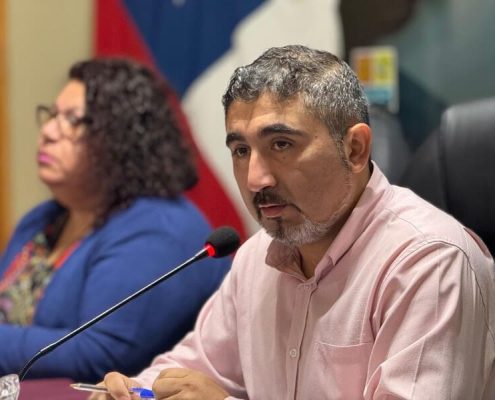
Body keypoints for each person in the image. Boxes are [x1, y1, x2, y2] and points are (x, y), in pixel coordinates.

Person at [95, 45, 495, 399]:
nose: (256, 179)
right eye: (240, 150)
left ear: (355, 149)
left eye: (281, 145)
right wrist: (134, 392)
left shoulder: (430, 263)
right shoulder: (255, 259)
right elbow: (192, 369)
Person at [0, 58, 231, 382]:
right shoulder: (44, 218)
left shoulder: (160, 228)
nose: (48, 132)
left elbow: (100, 354)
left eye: (72, 120)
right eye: (52, 115)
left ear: (121, 136)